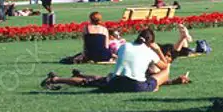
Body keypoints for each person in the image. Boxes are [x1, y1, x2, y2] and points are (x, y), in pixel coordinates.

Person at [43, 29, 190, 92]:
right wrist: (157, 50)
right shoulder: (149, 51)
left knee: (92, 81)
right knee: (165, 70)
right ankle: (60, 78)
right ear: (151, 42)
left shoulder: (125, 46)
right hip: (136, 86)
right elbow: (165, 66)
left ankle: (56, 79)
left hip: (115, 81)